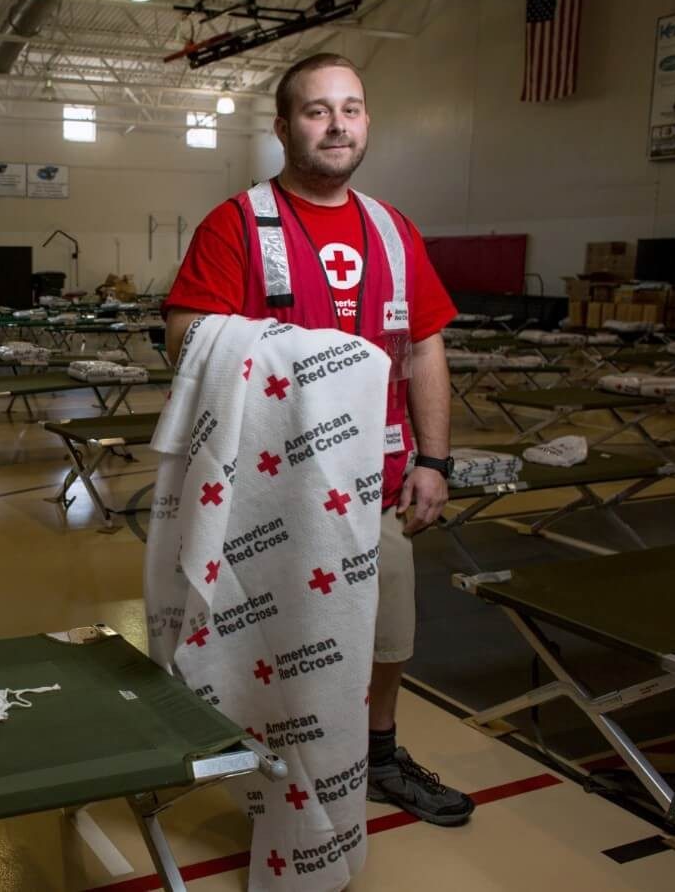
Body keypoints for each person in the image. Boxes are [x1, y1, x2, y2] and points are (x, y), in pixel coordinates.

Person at [163, 52, 474, 827]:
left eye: (352, 108)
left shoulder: (394, 230)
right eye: (316, 110)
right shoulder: (237, 223)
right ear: (282, 127)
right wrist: (293, 354)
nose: (337, 124)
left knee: (385, 630)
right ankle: (270, 762)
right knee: (267, 632)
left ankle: (378, 757)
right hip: (268, 484)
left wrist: (434, 459)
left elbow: (427, 344)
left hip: (375, 479)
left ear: (366, 122)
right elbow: (183, 336)